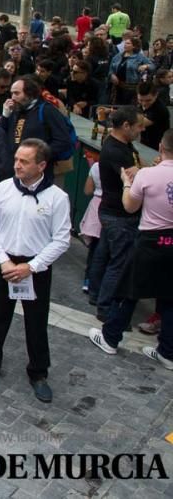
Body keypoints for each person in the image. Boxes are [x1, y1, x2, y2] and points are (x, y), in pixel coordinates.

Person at [0, 139, 71, 402]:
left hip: (36, 268)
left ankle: (38, 373)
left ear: (41, 165)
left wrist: (31, 267)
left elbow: (61, 240)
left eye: (24, 161)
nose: (16, 165)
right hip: (5, 264)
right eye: (17, 159)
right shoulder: (3, 189)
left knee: (36, 322)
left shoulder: (57, 198)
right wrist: (4, 260)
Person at [90, 128, 173, 368]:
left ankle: (110, 338)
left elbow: (129, 206)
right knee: (170, 297)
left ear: (160, 147)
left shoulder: (147, 175)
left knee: (128, 291)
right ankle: (168, 351)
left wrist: (127, 183)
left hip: (150, 240)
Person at [87, 106, 143, 320]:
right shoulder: (115, 150)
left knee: (104, 252)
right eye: (138, 126)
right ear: (126, 125)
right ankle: (106, 306)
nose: (140, 130)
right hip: (119, 214)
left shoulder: (124, 144)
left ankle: (95, 293)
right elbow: (133, 178)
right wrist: (145, 172)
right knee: (118, 262)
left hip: (112, 211)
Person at [2, 76, 72, 171]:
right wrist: (5, 116)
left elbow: (63, 141)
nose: (13, 98)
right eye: (12, 93)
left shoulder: (47, 110)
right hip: (16, 168)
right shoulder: (16, 109)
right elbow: (3, 134)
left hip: (39, 171)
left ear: (29, 94)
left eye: (16, 93)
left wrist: (38, 156)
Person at [137, 80, 169, 150]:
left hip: (158, 147)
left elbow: (138, 123)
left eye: (148, 100)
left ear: (156, 95)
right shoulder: (141, 104)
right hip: (144, 142)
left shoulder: (160, 109)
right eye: (140, 100)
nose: (144, 104)